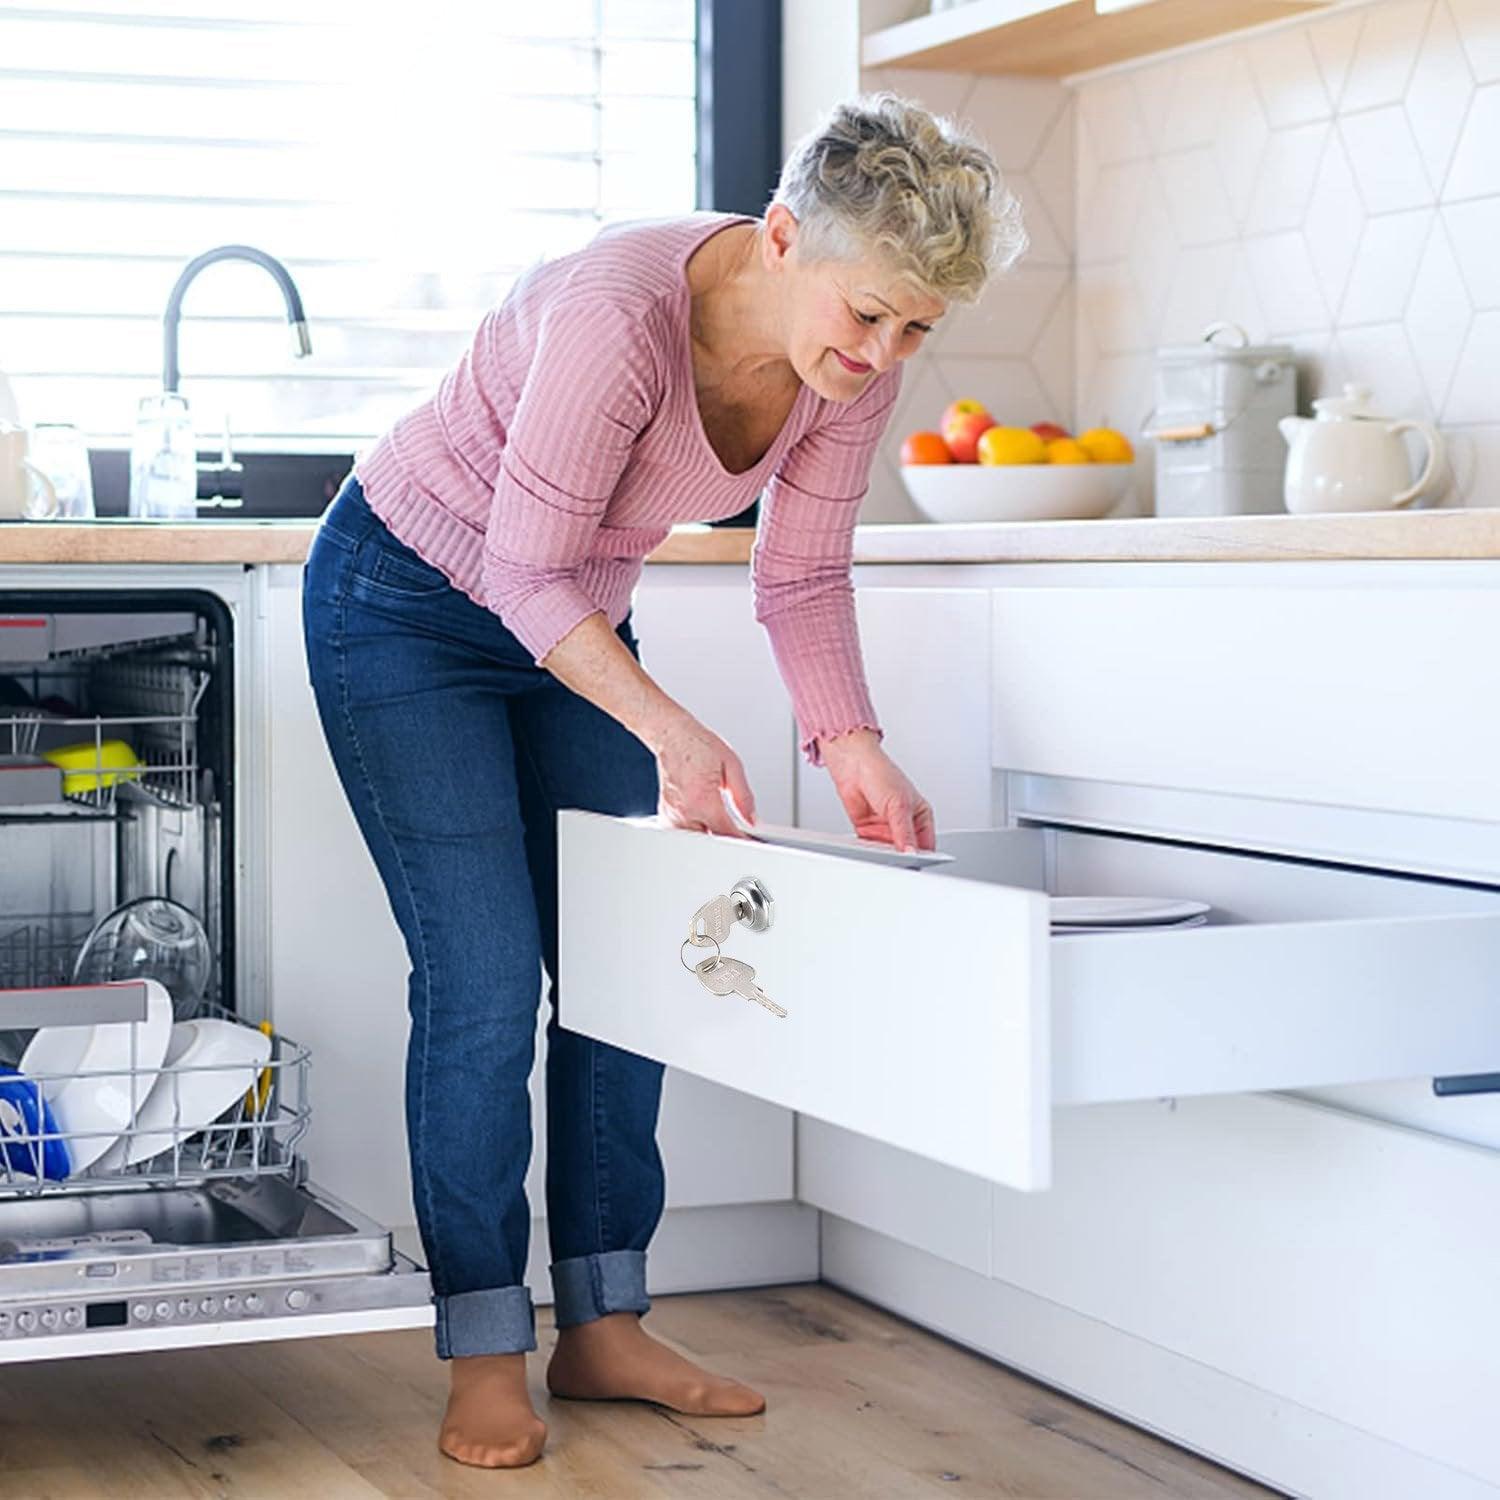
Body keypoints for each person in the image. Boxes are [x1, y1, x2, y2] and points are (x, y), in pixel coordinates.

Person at [301, 92, 1022, 1470]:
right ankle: (485, 1346)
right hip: (406, 606)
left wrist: (852, 742)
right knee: (483, 982)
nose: (882, 356)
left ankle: (605, 1323)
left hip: (567, 618)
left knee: (624, 963)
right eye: (871, 314)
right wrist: (675, 734)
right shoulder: (619, 312)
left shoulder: (849, 363)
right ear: (783, 236)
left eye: (919, 329)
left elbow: (799, 573)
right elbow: (519, 568)